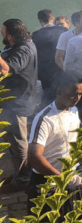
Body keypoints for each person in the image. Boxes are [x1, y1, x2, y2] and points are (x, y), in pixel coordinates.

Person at [26, 74, 82, 213]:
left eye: (80, 94)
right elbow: (34, 158)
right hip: (46, 183)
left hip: (69, 181)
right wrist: (63, 179)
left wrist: (71, 177)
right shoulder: (45, 119)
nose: (77, 99)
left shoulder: (74, 111)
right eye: (72, 94)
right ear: (59, 90)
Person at [1, 19, 38, 189]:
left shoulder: (23, 50)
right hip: (15, 102)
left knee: (19, 142)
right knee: (13, 140)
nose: (1, 35)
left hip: (18, 103)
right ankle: (19, 174)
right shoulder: (21, 45)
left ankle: (23, 180)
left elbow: (6, 70)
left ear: (10, 35)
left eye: (3, 32)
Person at [32, 9, 68, 107]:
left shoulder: (35, 35)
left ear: (40, 21)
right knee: (62, 96)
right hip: (62, 69)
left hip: (45, 73)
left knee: (47, 97)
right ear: (52, 18)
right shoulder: (64, 31)